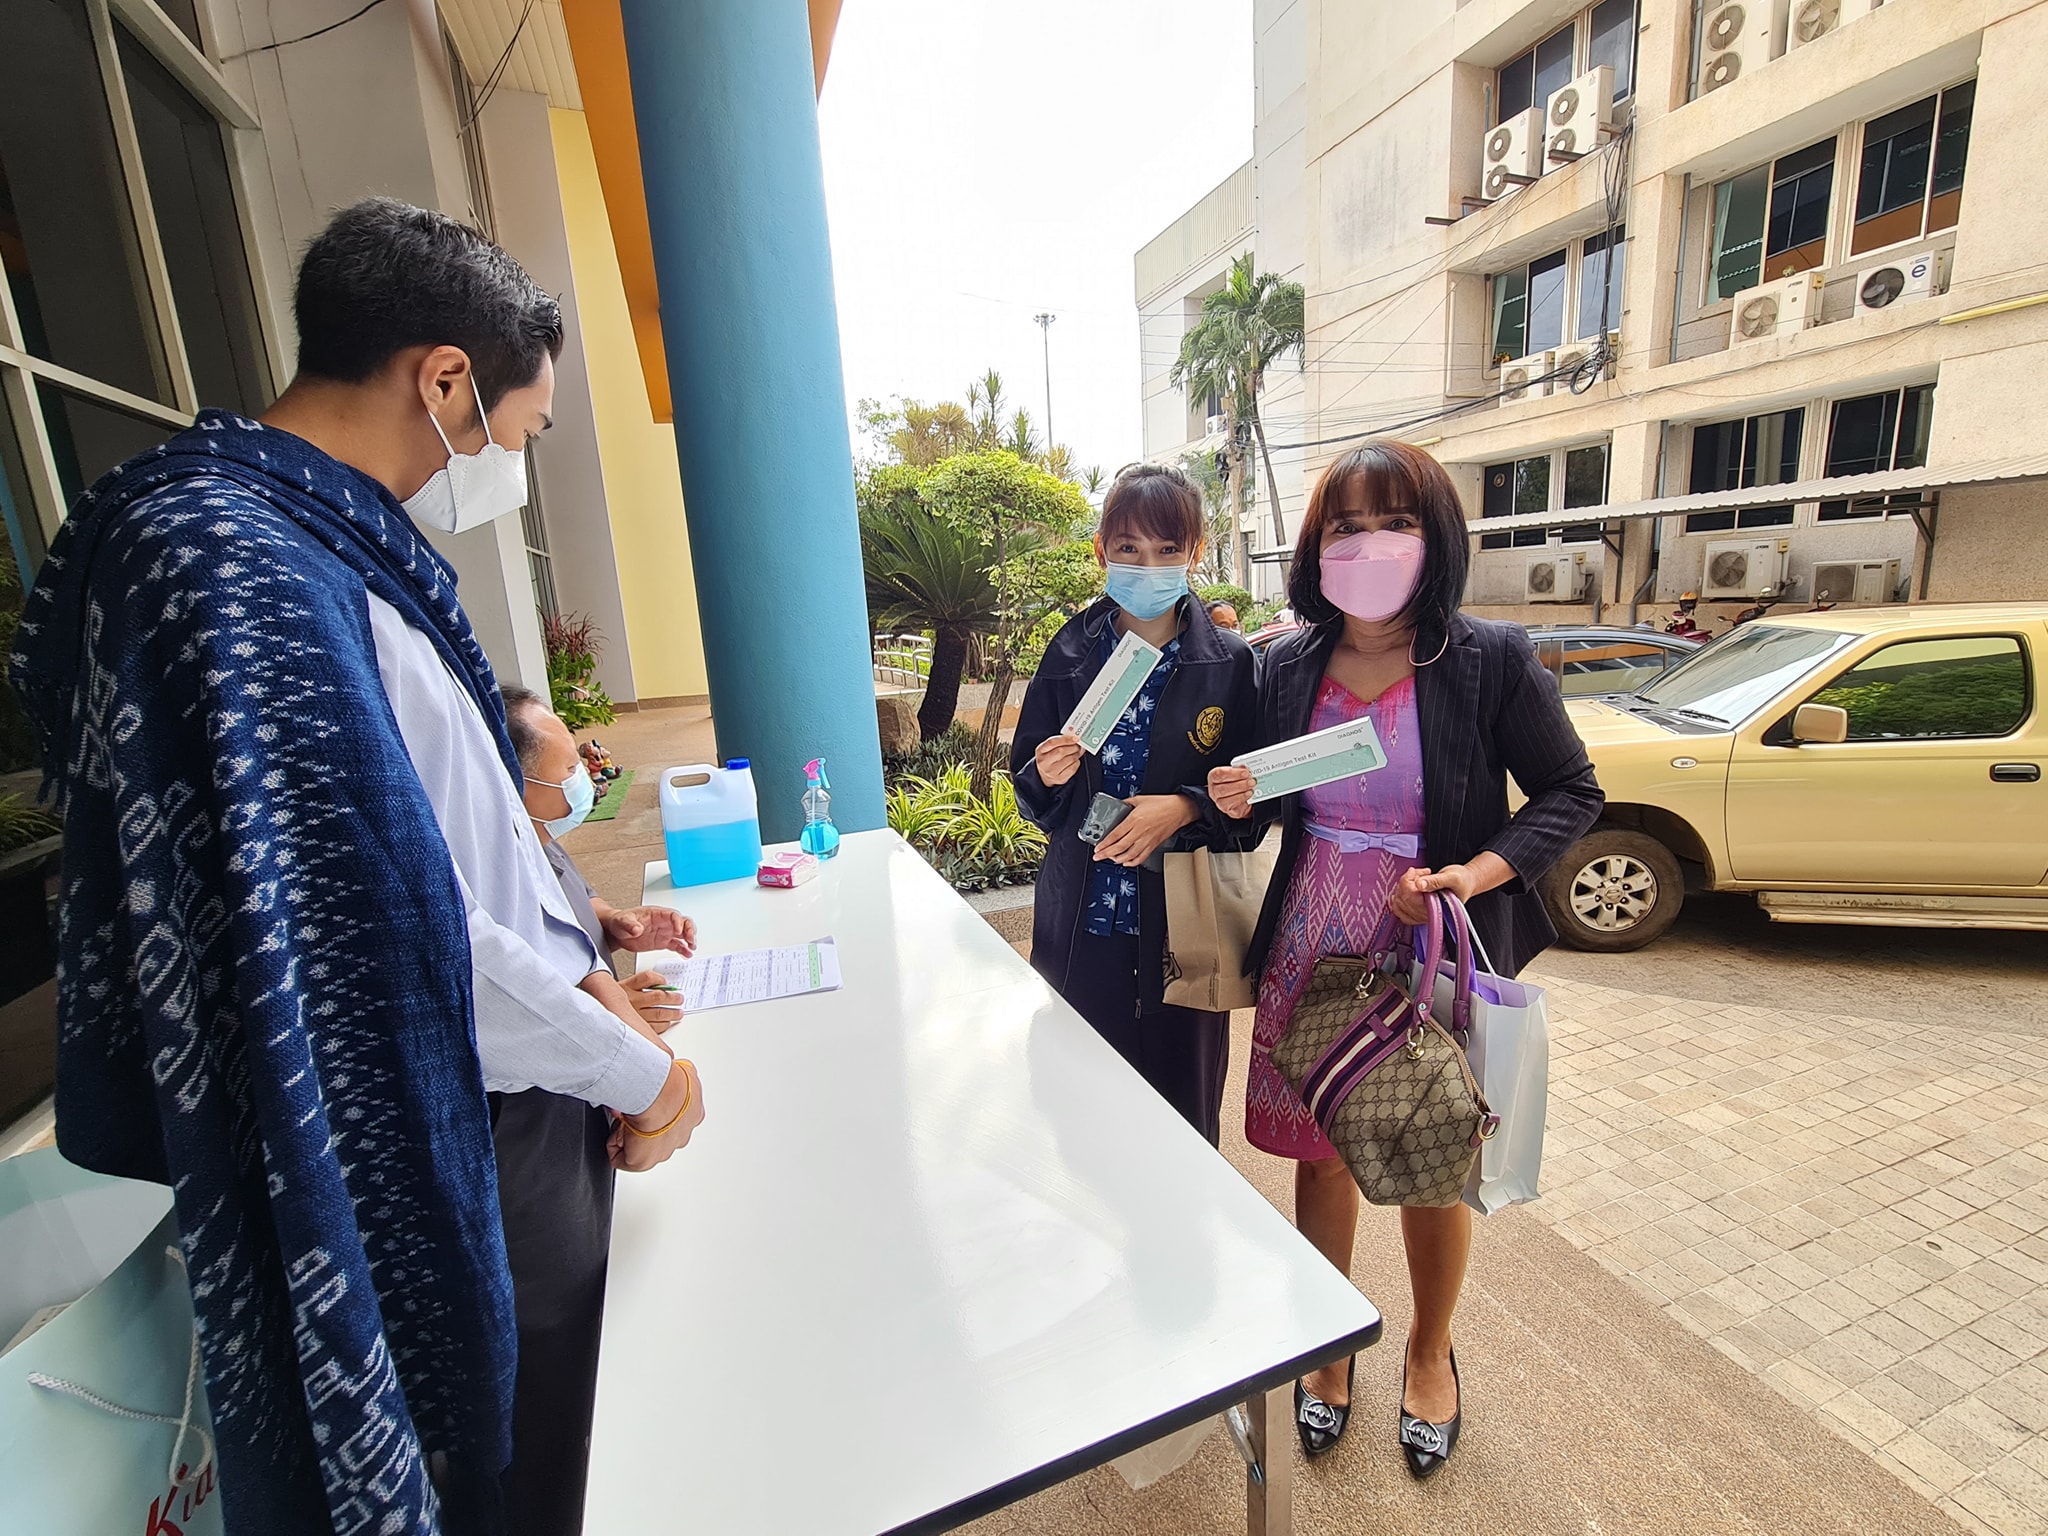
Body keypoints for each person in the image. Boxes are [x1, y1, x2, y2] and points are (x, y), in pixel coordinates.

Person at [9, 198, 700, 1536]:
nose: (507, 458)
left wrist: (588, 947)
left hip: (523, 1074)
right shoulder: (242, 567)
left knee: (562, 1445)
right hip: (445, 1111)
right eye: (520, 428)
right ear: (443, 377)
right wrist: (642, 1070)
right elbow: (391, 930)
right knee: (518, 1468)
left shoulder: (326, 541)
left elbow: (452, 843)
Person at [1208, 440, 1601, 1478]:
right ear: (1315, 546)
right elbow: (1266, 801)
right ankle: (1331, 1345)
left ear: (1435, 540)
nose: (1368, 544)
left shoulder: (1486, 659)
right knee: (1321, 1149)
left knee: (1428, 1156)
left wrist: (1473, 874)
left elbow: (1572, 793)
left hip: (1421, 943)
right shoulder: (1281, 661)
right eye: (1345, 525)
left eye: (1395, 521)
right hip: (1311, 939)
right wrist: (1238, 797)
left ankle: (1429, 1351)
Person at [494, 685, 698, 1532]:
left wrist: (615, 922)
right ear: (509, 787)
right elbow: (548, 978)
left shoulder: (532, 834)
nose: (587, 776)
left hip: (581, 1113)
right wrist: (657, 1075)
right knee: (559, 1344)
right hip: (530, 1140)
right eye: (568, 768)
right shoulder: (488, 853)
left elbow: (571, 924)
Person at [1011, 463, 1259, 1144]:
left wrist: (1185, 806)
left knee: (1184, 1122)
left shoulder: (1230, 664)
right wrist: (1049, 774)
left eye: (1166, 550)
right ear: (1101, 551)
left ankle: (1181, 1249)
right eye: (1128, 549)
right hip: (1084, 923)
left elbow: (1258, 803)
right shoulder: (1068, 656)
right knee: (1082, 1118)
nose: (1146, 565)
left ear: (1196, 554)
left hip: (1184, 928)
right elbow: (1028, 790)